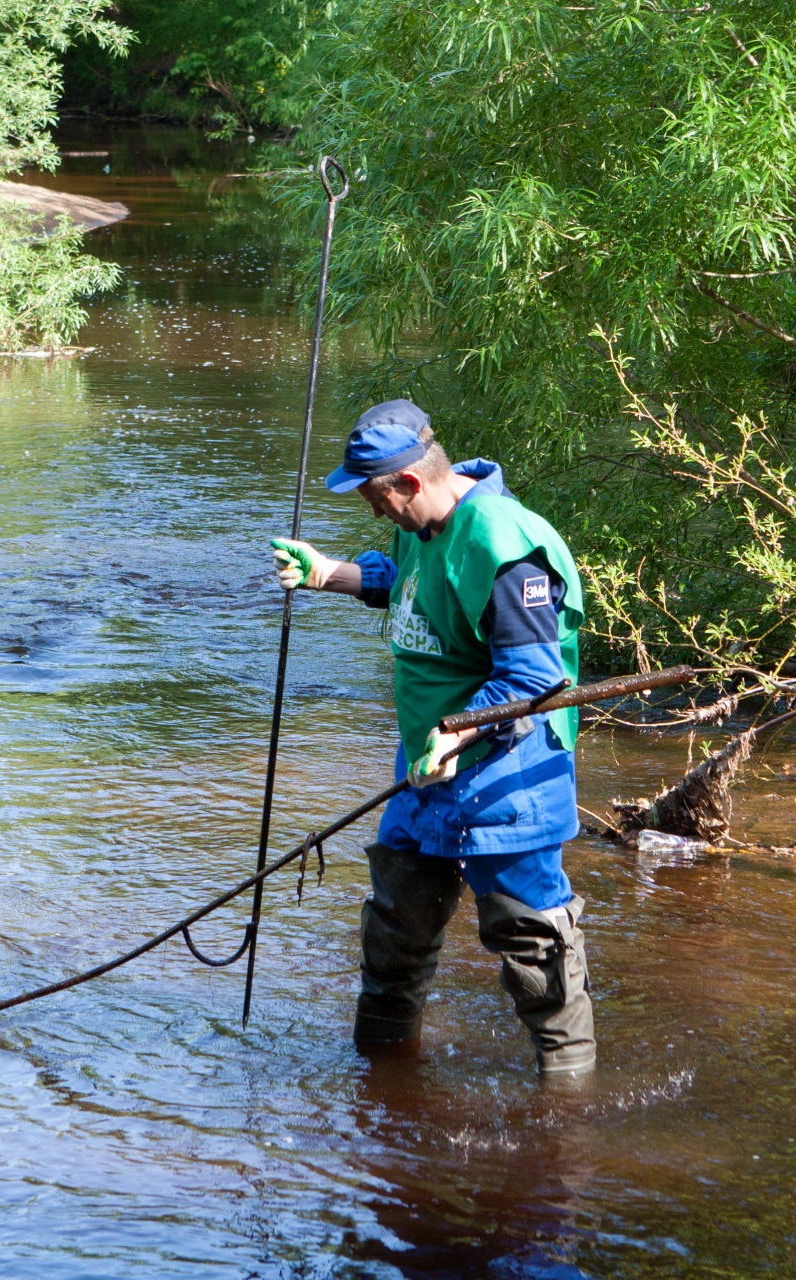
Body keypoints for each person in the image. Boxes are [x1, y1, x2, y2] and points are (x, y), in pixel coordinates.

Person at [269, 398, 596, 1073]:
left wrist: (455, 737)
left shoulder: (503, 545)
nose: (373, 513)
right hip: (424, 773)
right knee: (394, 935)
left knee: (535, 952)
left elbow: (534, 676)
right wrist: (329, 573)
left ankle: (566, 1130)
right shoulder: (421, 524)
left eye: (375, 499)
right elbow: (411, 587)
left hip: (507, 776)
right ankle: (381, 1083)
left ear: (410, 482)